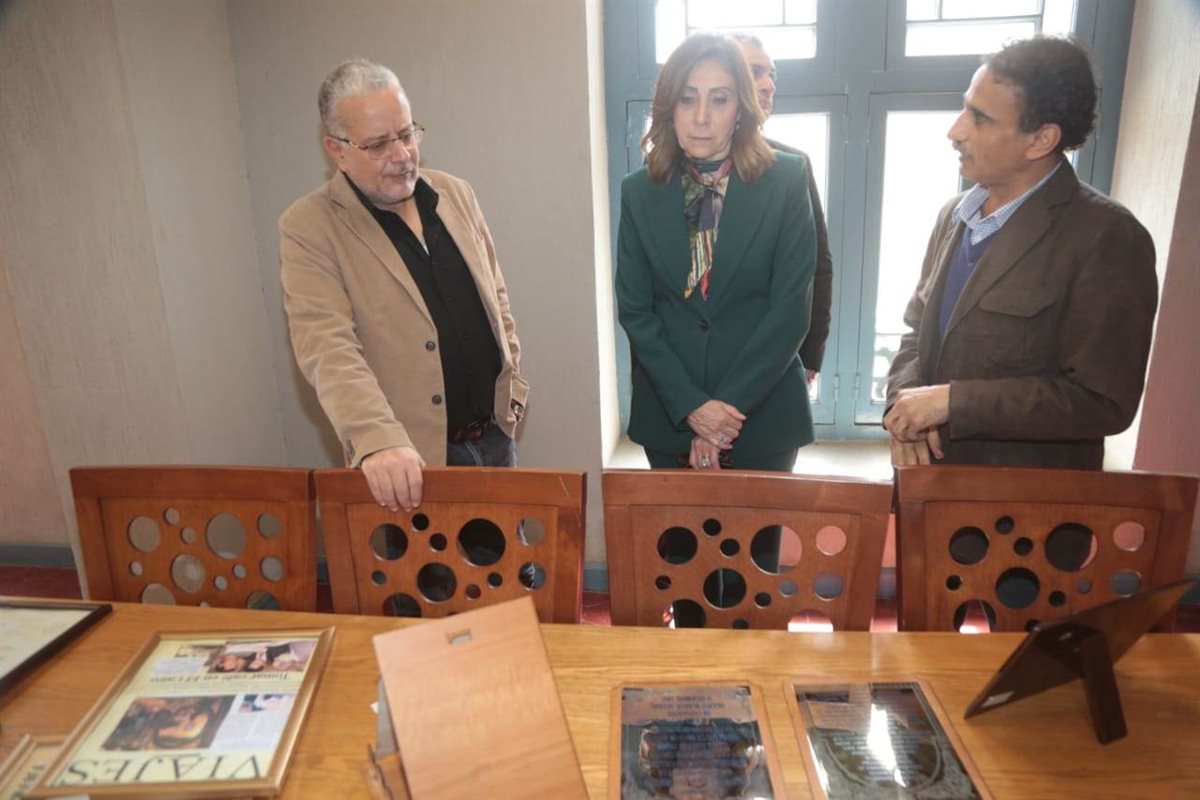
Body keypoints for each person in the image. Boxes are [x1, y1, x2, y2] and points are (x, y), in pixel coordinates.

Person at [883, 36, 1157, 469]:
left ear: (1041, 139)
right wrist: (904, 410)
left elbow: (1103, 401)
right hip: (930, 483)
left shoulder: (1108, 236)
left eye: (980, 118)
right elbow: (917, 332)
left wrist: (954, 402)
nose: (955, 131)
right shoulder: (953, 215)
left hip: (1024, 499)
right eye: (965, 108)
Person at [281, 59, 529, 512]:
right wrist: (377, 440)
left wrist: (511, 386)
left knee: (511, 558)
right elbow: (328, 349)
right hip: (407, 468)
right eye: (378, 144)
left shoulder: (456, 194)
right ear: (337, 150)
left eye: (407, 134)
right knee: (418, 565)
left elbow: (497, 300)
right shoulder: (309, 227)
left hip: (495, 442)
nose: (401, 155)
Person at [616, 33, 818, 472]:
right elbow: (636, 311)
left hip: (761, 419)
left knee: (760, 524)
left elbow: (790, 312)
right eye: (687, 99)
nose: (701, 118)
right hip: (669, 416)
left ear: (742, 106)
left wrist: (724, 413)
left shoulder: (787, 179)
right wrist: (693, 407)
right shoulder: (638, 191)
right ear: (669, 107)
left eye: (719, 100)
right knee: (671, 523)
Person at [731, 33, 834, 386]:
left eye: (772, 75)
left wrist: (811, 352)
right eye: (755, 72)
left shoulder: (792, 165)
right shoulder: (669, 169)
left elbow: (819, 264)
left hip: (778, 358)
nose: (769, 85)